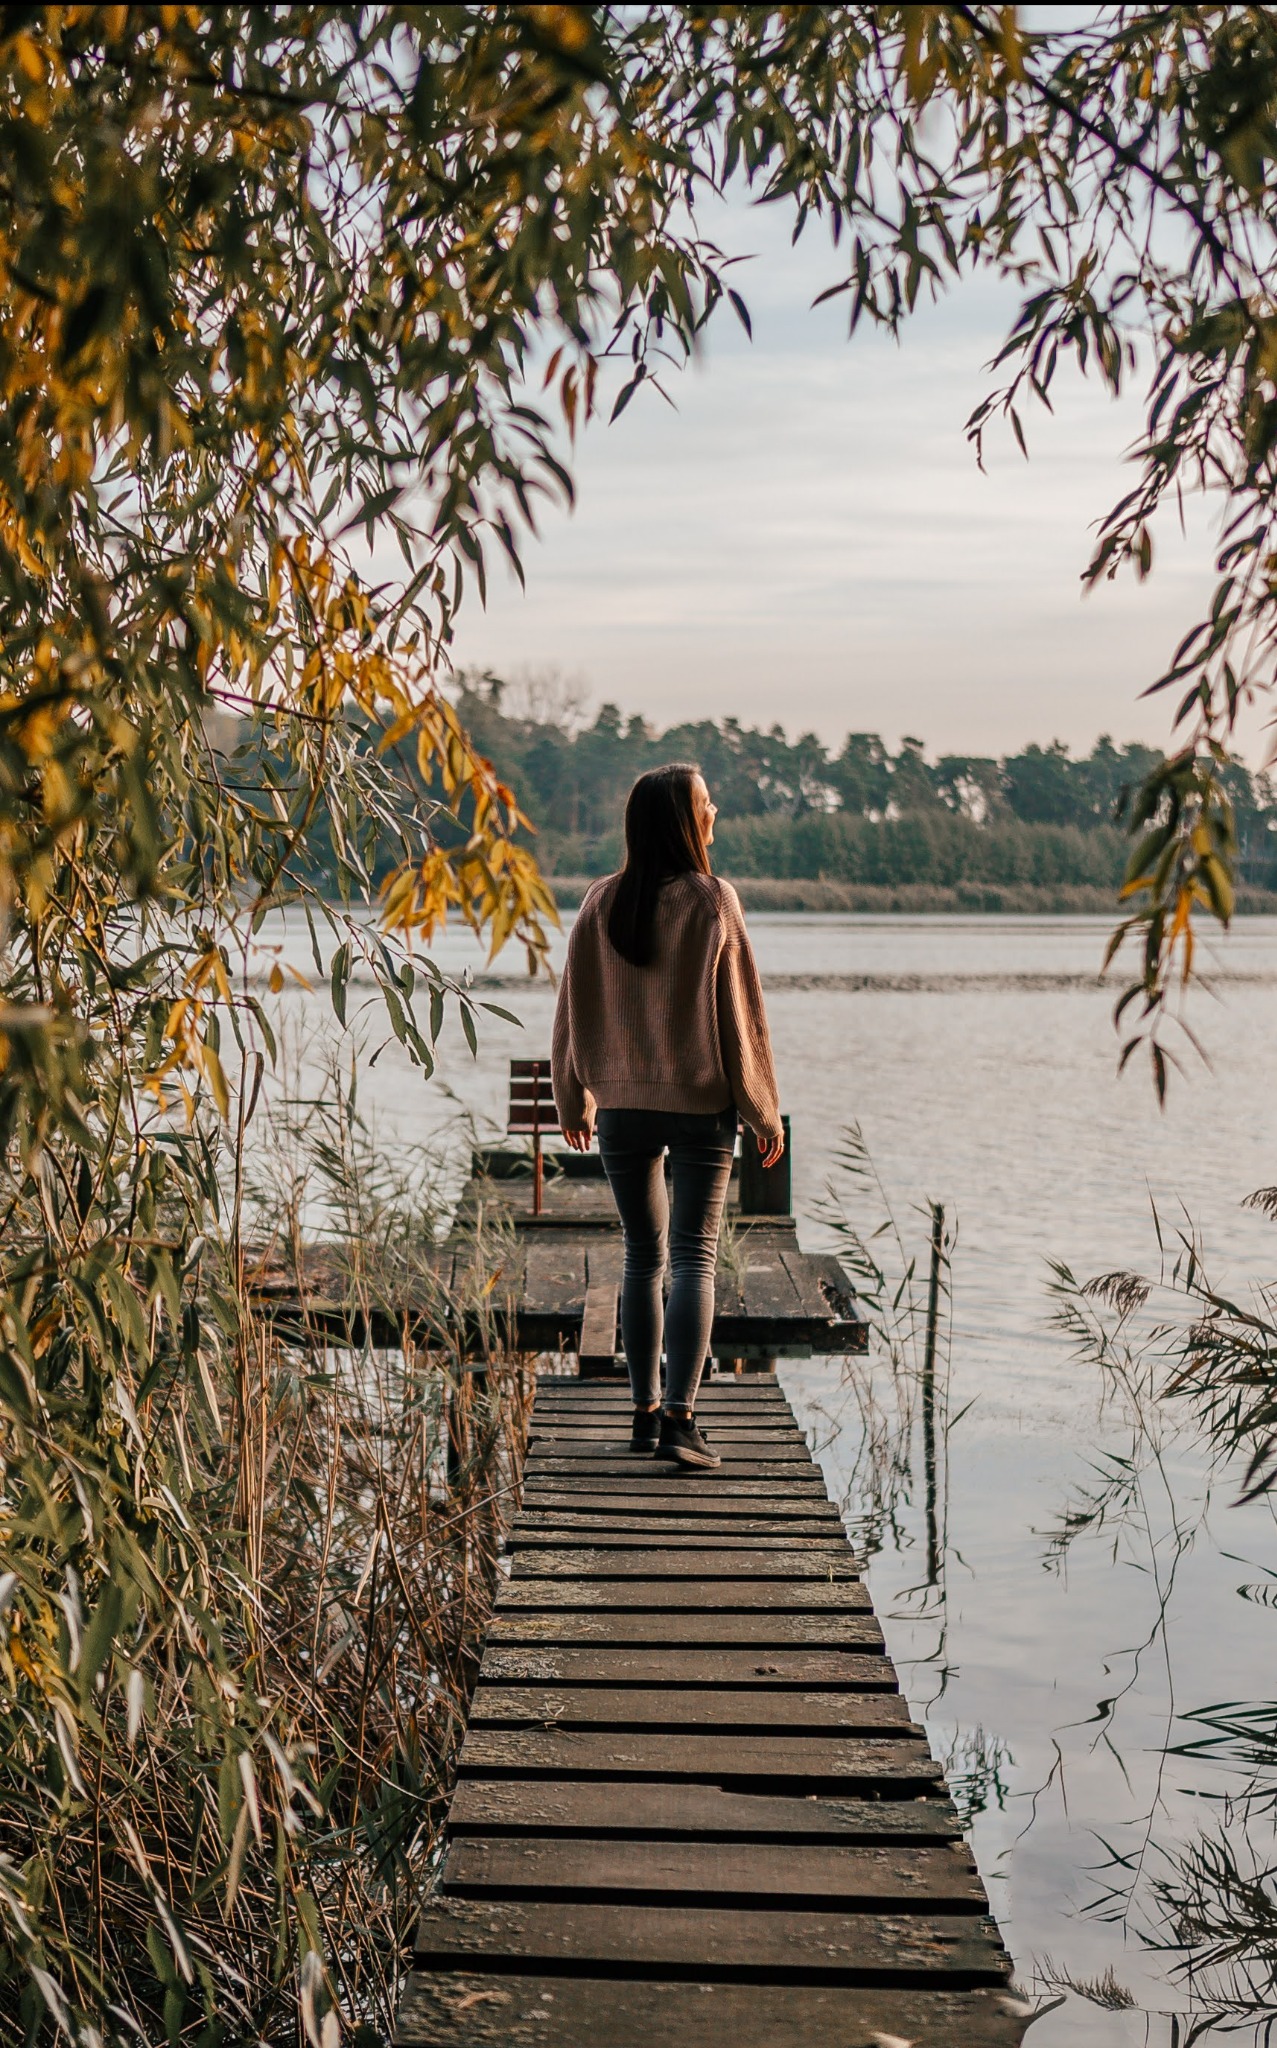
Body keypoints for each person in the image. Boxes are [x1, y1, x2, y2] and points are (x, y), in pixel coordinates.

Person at [551, 763, 784, 1469]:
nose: (715, 813)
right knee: (692, 1257)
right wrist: (763, 1113)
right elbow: (741, 1017)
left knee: (642, 1255)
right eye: (707, 803)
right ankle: (681, 1421)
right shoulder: (713, 901)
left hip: (621, 1110)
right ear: (683, 820)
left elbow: (571, 1007)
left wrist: (573, 1098)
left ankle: (643, 1415)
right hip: (700, 1108)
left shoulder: (600, 899)